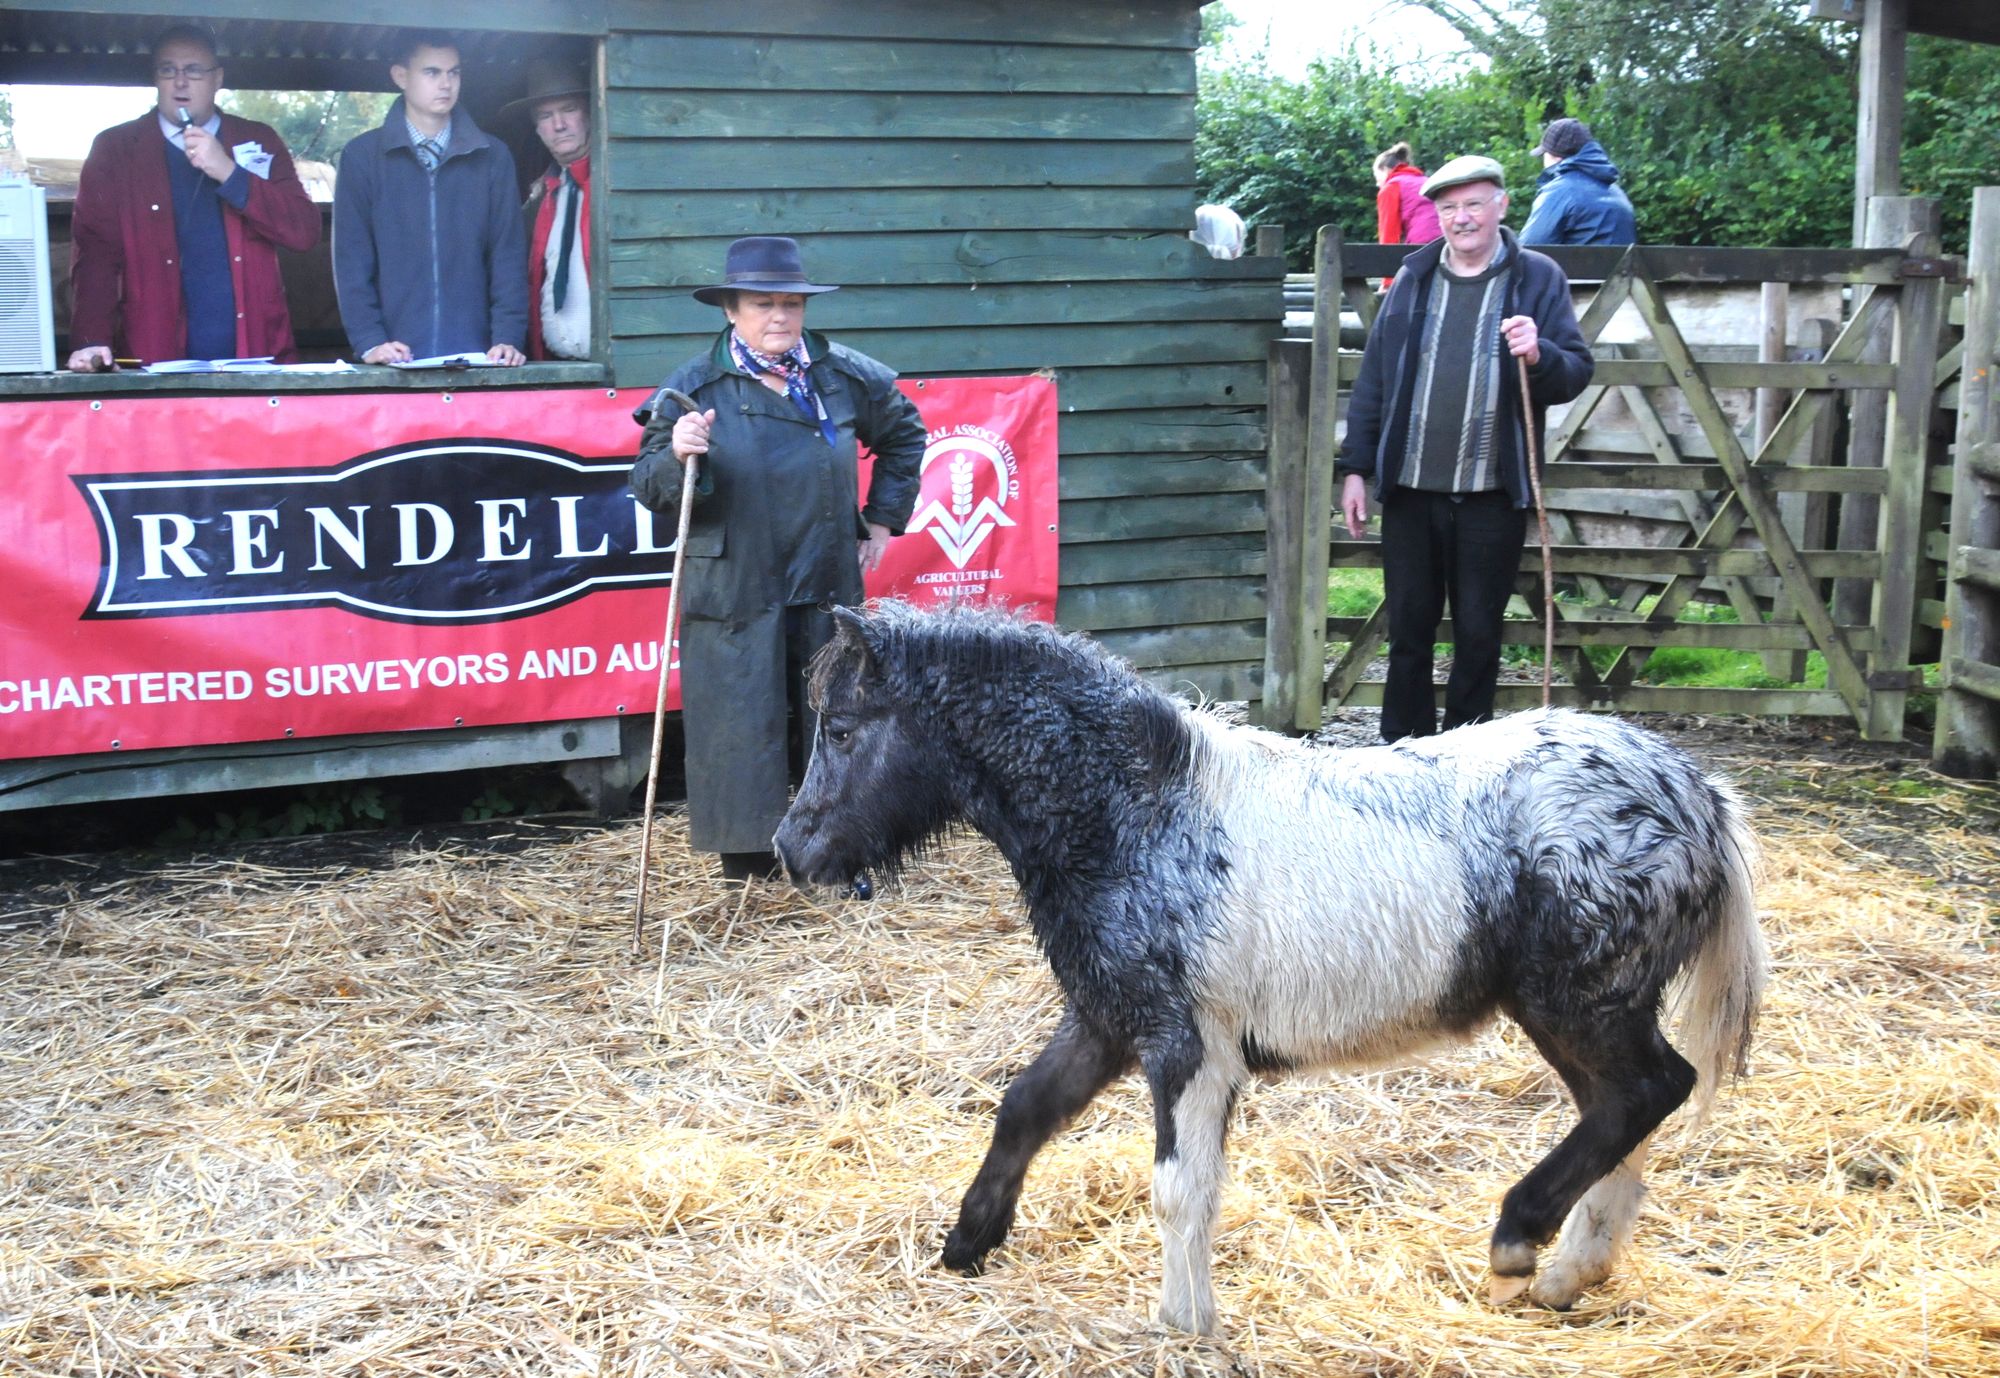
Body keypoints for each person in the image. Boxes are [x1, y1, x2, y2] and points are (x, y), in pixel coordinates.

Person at [627, 237, 925, 880]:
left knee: (839, 720)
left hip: (825, 573)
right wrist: (676, 452)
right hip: (734, 582)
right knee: (738, 721)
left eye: (791, 303)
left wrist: (881, 520)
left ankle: (838, 856)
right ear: (731, 310)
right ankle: (749, 870)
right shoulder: (692, 388)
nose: (780, 316)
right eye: (763, 304)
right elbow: (649, 487)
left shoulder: (843, 376)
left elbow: (905, 433)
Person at [1336, 155, 1594, 742]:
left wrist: (1540, 354)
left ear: (1501, 205)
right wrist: (1356, 468)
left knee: (1479, 633)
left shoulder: (1536, 278)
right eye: (1449, 207)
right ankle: (1403, 757)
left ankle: (1467, 761)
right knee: (1409, 633)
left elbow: (1575, 372)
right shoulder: (1414, 278)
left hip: (1491, 495)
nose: (1462, 218)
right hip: (1411, 492)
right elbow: (1375, 378)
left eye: (1474, 204)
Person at [67, 23, 320, 371]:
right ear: (155, 79)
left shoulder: (257, 139)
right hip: (154, 361)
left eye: (194, 71)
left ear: (218, 79)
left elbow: (304, 233)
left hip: (255, 357)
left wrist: (229, 172)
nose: (180, 82)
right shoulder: (115, 149)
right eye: (168, 70)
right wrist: (90, 341)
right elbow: (95, 255)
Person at [333, 31, 527, 365]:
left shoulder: (493, 155)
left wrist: (507, 337)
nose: (446, 84)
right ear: (400, 76)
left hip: (480, 357)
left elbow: (507, 255)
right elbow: (352, 260)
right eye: (432, 72)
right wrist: (370, 342)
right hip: (393, 359)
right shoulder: (362, 156)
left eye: (454, 72)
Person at [504, 61, 593, 361]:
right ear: (537, 129)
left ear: (589, 113)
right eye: (546, 116)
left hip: (618, 373)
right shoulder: (540, 199)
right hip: (557, 369)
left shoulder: (615, 187)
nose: (559, 125)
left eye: (569, 110)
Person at [1519, 117, 1637, 247]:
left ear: (1555, 156)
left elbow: (1530, 249)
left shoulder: (1559, 192)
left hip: (1575, 262)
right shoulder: (1617, 192)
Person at [1372, 141, 1441, 291]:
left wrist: (1388, 281)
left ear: (1385, 169)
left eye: (1376, 176)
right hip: (1447, 246)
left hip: (1421, 250)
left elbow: (1389, 235)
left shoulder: (1391, 187)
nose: (1377, 183)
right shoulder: (1426, 181)